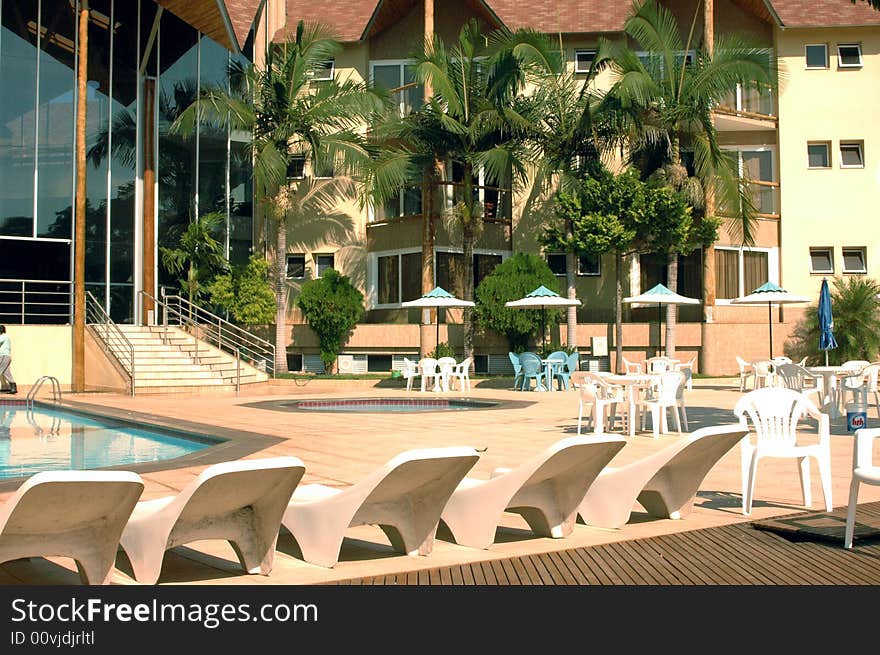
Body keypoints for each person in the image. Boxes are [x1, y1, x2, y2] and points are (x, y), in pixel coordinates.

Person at [0, 325, 16, 394]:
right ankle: (13, 388)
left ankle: (13, 388)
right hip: (6, 356)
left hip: (4, 356)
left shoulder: (4, 336)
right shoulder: (5, 337)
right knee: (6, 373)